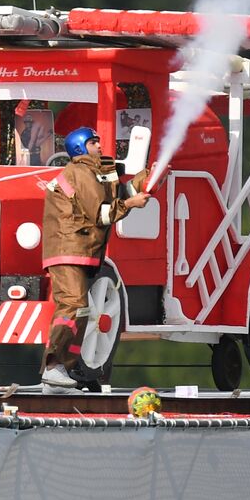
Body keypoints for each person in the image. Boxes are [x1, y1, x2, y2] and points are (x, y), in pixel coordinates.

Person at [40, 126, 150, 393]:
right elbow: (100, 214)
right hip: (69, 248)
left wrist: (148, 176)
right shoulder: (80, 172)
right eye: (93, 143)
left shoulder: (96, 172)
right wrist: (131, 205)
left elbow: (117, 193)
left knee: (83, 310)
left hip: (81, 249)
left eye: (98, 141)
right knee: (74, 305)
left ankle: (66, 370)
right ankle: (54, 368)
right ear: (80, 148)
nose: (100, 146)